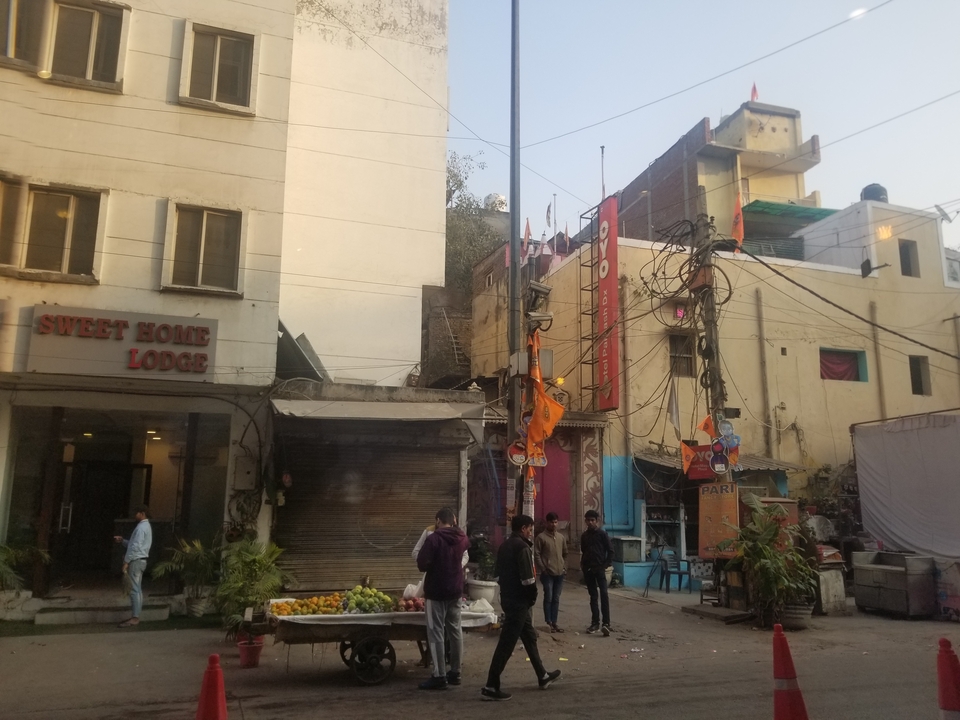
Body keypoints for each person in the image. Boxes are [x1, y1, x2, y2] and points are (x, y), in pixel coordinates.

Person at [481, 515, 562, 701]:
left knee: (529, 637)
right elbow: (528, 579)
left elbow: (497, 574)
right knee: (506, 644)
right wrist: (532, 597)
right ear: (524, 528)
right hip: (519, 602)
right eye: (530, 529)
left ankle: (542, 675)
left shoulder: (504, 546)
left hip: (508, 598)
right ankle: (491, 685)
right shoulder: (522, 548)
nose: (531, 532)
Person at [416, 507, 471, 690]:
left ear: (438, 521)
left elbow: (422, 563)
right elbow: (464, 556)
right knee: (455, 630)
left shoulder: (434, 539)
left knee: (436, 632)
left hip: (436, 592)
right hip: (455, 591)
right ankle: (455, 672)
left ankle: (439, 675)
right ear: (454, 520)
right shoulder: (462, 538)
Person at [113, 505, 152, 628]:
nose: (135, 515)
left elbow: (135, 547)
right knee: (137, 589)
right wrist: (123, 541)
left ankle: (135, 617)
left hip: (136, 561)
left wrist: (126, 561)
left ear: (142, 513)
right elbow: (134, 545)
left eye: (137, 513)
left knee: (134, 589)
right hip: (140, 560)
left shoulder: (141, 528)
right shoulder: (146, 526)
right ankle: (136, 615)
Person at [580, 509, 613, 636]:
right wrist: (584, 565)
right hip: (588, 569)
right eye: (588, 520)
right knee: (593, 596)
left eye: (592, 520)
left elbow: (610, 550)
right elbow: (584, 551)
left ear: (597, 521)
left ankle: (606, 623)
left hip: (599, 569)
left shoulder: (602, 534)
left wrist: (605, 565)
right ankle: (595, 623)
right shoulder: (584, 536)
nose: (590, 523)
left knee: (604, 595)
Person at [534, 511, 567, 633]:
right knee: (548, 597)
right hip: (547, 573)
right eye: (551, 522)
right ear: (547, 523)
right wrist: (543, 568)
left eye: (555, 522)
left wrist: (564, 568)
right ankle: (548, 621)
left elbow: (565, 553)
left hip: (559, 573)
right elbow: (536, 554)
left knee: (556, 598)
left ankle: (554, 622)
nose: (553, 524)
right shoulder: (541, 537)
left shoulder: (561, 537)